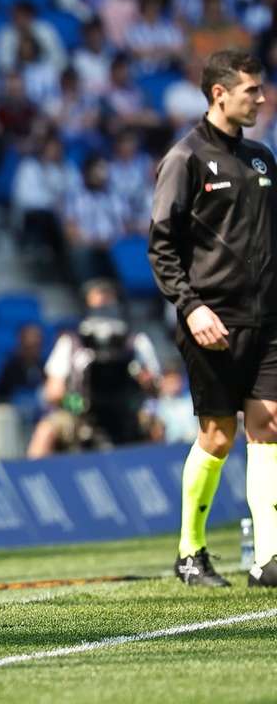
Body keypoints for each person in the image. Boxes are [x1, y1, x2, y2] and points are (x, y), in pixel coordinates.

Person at [149, 49, 277, 589]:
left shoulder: (261, 157)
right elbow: (162, 245)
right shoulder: (185, 159)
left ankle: (268, 561)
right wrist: (191, 305)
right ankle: (190, 553)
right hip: (212, 320)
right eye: (252, 90)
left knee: (269, 426)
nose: (263, 98)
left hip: (267, 320)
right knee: (219, 437)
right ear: (219, 93)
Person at [27, 281, 160, 459]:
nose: (103, 313)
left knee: (156, 428)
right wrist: (79, 403)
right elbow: (53, 392)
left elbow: (157, 389)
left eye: (108, 307)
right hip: (80, 414)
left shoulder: (136, 342)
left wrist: (145, 382)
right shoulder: (71, 343)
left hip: (128, 413)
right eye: (98, 308)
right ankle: (35, 481)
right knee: (46, 430)